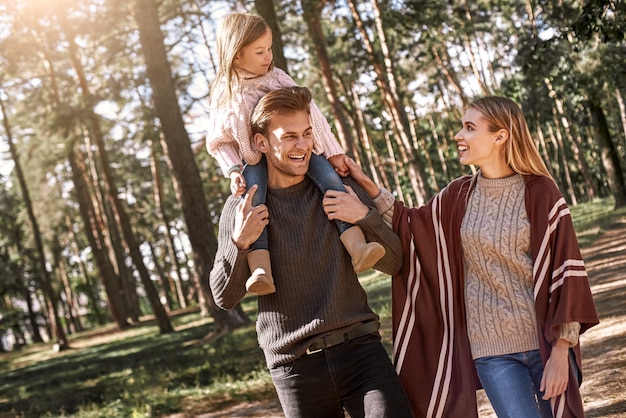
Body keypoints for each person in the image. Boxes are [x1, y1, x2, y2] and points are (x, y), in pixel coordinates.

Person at [336, 96, 599, 417]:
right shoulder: (457, 195)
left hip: (544, 343)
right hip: (491, 352)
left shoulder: (542, 192)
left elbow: (566, 271)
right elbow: (410, 225)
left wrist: (562, 350)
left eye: (470, 128)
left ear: (500, 136)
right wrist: (365, 189)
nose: (459, 136)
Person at [209, 86, 414, 418]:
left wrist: (364, 217)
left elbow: (395, 262)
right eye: (289, 136)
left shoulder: (340, 190)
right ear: (261, 143)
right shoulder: (241, 207)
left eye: (306, 134)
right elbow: (223, 297)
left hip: (361, 352)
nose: (303, 145)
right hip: (294, 369)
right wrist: (240, 243)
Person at [205, 12, 384, 296]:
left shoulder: (277, 78)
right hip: (253, 162)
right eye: (260, 51)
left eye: (270, 48)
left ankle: (356, 245)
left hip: (298, 152)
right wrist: (233, 171)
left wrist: (334, 151)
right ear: (236, 56)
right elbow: (218, 142)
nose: (268, 56)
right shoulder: (224, 94)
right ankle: (261, 268)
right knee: (254, 206)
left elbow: (313, 118)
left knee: (331, 181)